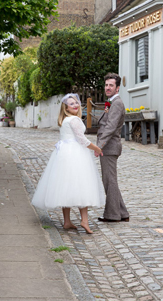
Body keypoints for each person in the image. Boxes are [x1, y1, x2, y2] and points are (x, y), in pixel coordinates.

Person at [31, 93, 105, 234]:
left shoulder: (64, 120)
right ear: (66, 108)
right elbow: (82, 140)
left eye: (76, 102)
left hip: (63, 155)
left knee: (66, 185)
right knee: (81, 184)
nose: (76, 105)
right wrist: (96, 148)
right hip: (75, 154)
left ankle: (67, 221)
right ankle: (84, 220)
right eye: (72, 104)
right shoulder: (74, 120)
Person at [96, 73, 130, 223]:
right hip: (108, 147)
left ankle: (112, 215)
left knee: (109, 181)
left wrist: (99, 146)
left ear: (117, 88)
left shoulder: (117, 103)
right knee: (110, 181)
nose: (108, 88)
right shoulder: (111, 102)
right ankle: (122, 212)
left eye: (111, 85)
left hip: (109, 147)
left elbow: (110, 128)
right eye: (106, 85)